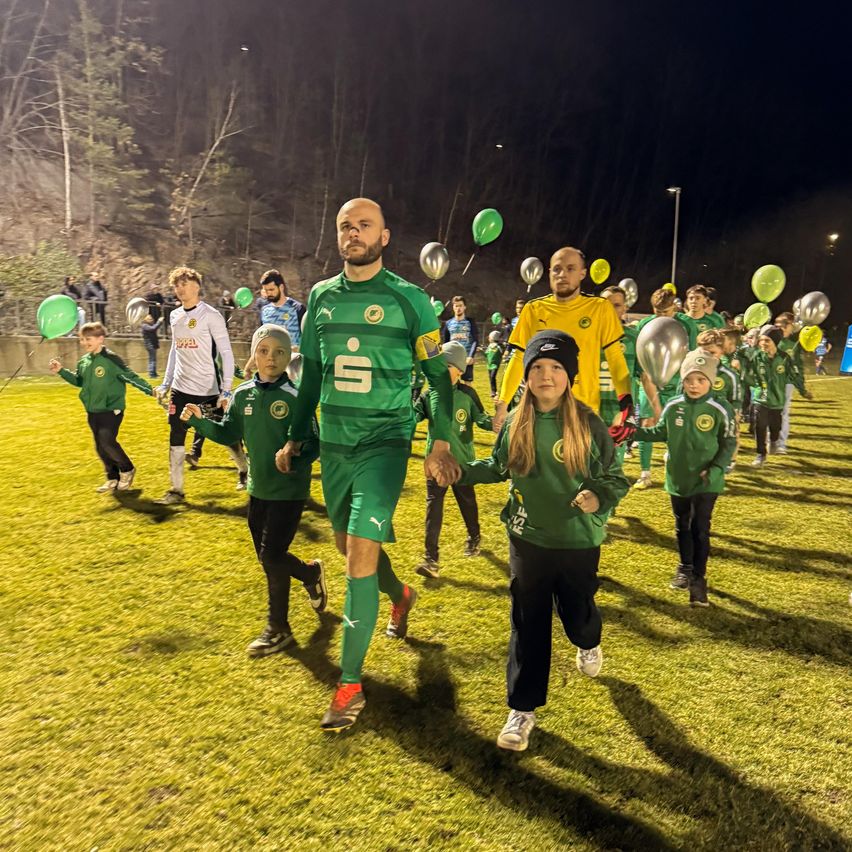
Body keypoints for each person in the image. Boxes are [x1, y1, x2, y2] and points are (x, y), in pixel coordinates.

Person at [274, 197, 460, 732]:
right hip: (335, 446)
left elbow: (438, 380)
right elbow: (312, 376)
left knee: (357, 554)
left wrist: (440, 442)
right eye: (345, 226)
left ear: (384, 236)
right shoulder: (320, 297)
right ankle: (400, 594)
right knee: (347, 543)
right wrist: (295, 437)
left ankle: (350, 684)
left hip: (385, 443)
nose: (353, 233)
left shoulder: (411, 301)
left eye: (364, 225)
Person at [461, 331, 628, 752]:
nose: (546, 375)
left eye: (555, 367)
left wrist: (598, 497)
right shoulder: (516, 422)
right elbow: (497, 466)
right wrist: (460, 471)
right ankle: (522, 709)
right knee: (527, 620)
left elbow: (615, 478)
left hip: (576, 539)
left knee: (576, 614)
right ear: (526, 375)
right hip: (527, 535)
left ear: (569, 376)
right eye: (537, 367)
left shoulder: (588, 424)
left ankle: (588, 641)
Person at [181, 325, 327, 656]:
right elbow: (228, 432)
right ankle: (309, 573)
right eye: (263, 351)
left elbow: (316, 443)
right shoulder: (243, 394)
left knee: (272, 556)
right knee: (269, 558)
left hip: (289, 491)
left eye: (279, 352)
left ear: (289, 357)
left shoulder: (297, 399)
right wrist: (199, 422)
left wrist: (296, 457)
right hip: (257, 488)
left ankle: (278, 629)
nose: (270, 358)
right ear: (253, 356)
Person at [630, 350, 737, 604]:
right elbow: (660, 432)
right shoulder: (673, 405)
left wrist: (716, 469)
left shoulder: (720, 407)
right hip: (678, 478)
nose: (694, 385)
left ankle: (699, 580)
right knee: (682, 525)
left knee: (700, 528)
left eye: (700, 380)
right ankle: (685, 567)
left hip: (707, 480)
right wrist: (630, 432)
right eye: (689, 379)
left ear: (710, 381)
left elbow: (729, 442)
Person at [493, 247, 632, 438]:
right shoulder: (534, 310)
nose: (562, 274)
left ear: (582, 273)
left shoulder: (600, 308)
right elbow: (518, 358)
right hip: (540, 414)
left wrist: (627, 404)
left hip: (583, 414)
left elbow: (615, 358)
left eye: (570, 268)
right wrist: (502, 404)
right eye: (557, 269)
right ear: (550, 273)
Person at [155, 266, 247, 504]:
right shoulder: (174, 316)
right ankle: (176, 490)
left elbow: (226, 353)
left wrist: (226, 389)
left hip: (207, 391)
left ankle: (244, 469)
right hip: (180, 389)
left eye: (184, 284)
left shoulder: (211, 315)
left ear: (197, 286)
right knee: (176, 435)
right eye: (176, 285)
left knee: (225, 435)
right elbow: (174, 350)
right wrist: (166, 384)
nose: (180, 289)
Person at [414, 341, 492, 578]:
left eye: (447, 366)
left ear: (459, 370)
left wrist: (500, 422)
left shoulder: (468, 394)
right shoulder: (429, 395)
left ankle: (474, 537)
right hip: (436, 466)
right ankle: (431, 559)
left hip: (462, 464)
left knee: (467, 504)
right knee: (433, 509)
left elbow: (482, 419)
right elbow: (413, 416)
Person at [49, 321, 153, 492]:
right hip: (93, 411)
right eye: (82, 339)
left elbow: (130, 376)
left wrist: (150, 390)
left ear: (100, 339)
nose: (84, 342)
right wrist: (61, 371)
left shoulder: (111, 359)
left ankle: (127, 469)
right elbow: (79, 381)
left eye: (88, 339)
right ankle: (112, 478)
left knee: (107, 441)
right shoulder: (84, 361)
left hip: (112, 409)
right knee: (100, 446)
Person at [632, 288, 691, 490]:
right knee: (647, 423)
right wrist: (656, 406)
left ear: (674, 307)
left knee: (677, 426)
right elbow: (643, 370)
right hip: (650, 382)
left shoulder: (687, 324)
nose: (661, 317)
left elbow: (690, 359)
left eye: (665, 312)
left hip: (677, 384)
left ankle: (674, 471)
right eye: (657, 312)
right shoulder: (644, 326)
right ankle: (645, 474)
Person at [740, 325, 812, 467]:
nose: (763, 343)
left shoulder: (785, 358)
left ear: (775, 342)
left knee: (775, 427)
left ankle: (774, 440)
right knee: (760, 426)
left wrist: (803, 391)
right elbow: (747, 373)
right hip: (760, 398)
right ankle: (761, 454)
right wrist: (752, 382)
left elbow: (795, 376)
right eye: (761, 340)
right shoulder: (756, 357)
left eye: (767, 340)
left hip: (777, 401)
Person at [598, 286, 638, 464]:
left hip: (619, 417)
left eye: (617, 305)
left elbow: (644, 377)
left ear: (625, 308)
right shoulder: (586, 337)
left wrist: (654, 408)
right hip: (588, 414)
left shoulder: (634, 339)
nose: (610, 309)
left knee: (613, 471)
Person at [774, 312, 806, 452]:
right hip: (770, 380)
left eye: (783, 326)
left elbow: (798, 366)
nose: (780, 329)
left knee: (783, 412)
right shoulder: (770, 340)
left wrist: (801, 387)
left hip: (786, 382)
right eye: (777, 326)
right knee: (769, 412)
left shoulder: (794, 344)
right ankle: (770, 440)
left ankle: (781, 444)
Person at [259, 269, 306, 347]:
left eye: (271, 289)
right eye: (266, 290)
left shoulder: (297, 309)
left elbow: (308, 338)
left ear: (281, 287)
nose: (269, 293)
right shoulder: (264, 311)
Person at [441, 295, 478, 383]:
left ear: (465, 307)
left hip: (466, 358)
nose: (458, 308)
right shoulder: (448, 323)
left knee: (467, 383)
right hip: (452, 359)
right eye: (456, 306)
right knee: (451, 382)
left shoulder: (470, 322)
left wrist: (471, 356)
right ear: (453, 307)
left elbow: (475, 340)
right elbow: (446, 343)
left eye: (460, 305)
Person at [141, 314, 163, 378]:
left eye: (151, 319)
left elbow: (154, 328)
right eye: (149, 319)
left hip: (153, 344)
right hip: (150, 345)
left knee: (153, 359)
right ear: (145, 320)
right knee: (152, 360)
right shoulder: (145, 326)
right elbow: (153, 328)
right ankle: (152, 374)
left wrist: (159, 323)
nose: (151, 320)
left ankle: (154, 373)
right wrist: (159, 321)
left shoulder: (149, 325)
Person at [485, 330, 504, 398]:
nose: (488, 339)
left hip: (495, 365)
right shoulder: (489, 346)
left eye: (489, 337)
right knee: (491, 378)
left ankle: (494, 391)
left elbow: (502, 352)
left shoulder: (498, 346)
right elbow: (486, 353)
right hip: (489, 364)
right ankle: (493, 391)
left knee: (493, 377)